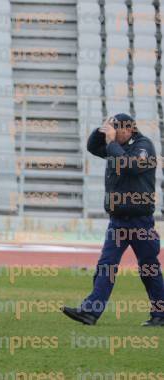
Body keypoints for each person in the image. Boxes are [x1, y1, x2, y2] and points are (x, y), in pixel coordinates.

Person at [62, 114, 164, 326]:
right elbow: (92, 146)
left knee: (148, 268)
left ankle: (161, 313)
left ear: (129, 130)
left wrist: (111, 142)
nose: (113, 133)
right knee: (106, 265)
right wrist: (102, 129)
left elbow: (131, 166)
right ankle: (90, 311)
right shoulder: (115, 146)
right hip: (118, 220)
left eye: (117, 129)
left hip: (140, 221)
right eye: (112, 129)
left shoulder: (144, 146)